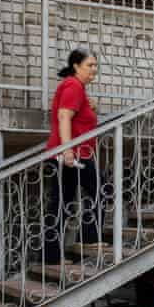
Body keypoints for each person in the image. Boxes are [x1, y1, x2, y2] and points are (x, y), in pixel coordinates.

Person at [44, 48, 102, 265]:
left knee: (61, 204)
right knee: (100, 190)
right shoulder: (73, 85)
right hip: (74, 156)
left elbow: (74, 114)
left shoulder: (75, 88)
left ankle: (50, 256)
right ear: (76, 66)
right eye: (90, 65)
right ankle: (88, 238)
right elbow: (64, 116)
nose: (94, 69)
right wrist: (67, 149)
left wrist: (90, 105)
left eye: (96, 65)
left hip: (73, 154)